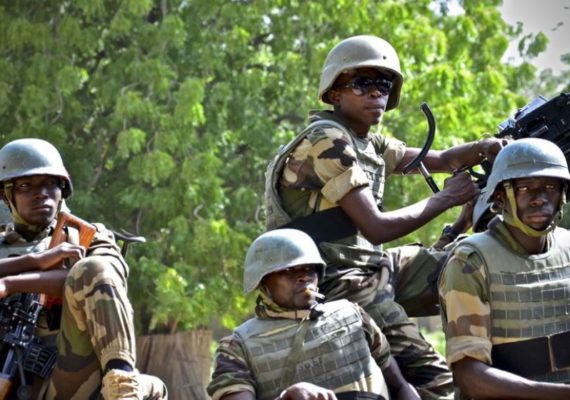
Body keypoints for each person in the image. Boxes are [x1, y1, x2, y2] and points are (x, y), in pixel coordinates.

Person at [265, 34, 506, 398]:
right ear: (335, 94)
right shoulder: (327, 140)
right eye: (362, 83)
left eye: (384, 85)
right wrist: (446, 198)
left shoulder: (367, 141)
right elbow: (376, 228)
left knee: (468, 264)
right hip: (336, 281)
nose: (375, 93)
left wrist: (484, 148)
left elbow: (441, 159)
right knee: (435, 377)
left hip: (370, 267)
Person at [0, 138, 167, 399]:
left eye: (50, 183)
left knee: (92, 268)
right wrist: (35, 261)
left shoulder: (88, 237)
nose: (40, 193)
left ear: (63, 190)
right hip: (9, 382)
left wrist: (12, 284)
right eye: (25, 186)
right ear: (6, 195)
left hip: (70, 379)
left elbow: (103, 275)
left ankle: (122, 385)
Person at [208, 228, 420, 400]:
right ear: (262, 282)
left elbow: (400, 386)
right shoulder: (237, 348)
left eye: (310, 268)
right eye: (289, 270)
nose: (304, 277)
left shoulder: (353, 315)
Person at [438, 137, 570, 399]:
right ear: (500, 197)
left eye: (549, 187)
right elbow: (469, 377)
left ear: (562, 194)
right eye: (525, 188)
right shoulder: (471, 262)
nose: (539, 199)